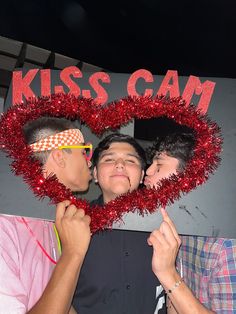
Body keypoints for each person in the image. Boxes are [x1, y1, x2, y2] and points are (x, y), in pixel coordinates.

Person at [0, 116, 92, 313]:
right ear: (59, 157)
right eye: (84, 151)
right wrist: (73, 253)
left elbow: (59, 300)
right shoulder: (5, 225)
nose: (89, 161)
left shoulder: (51, 219)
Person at [73, 133, 166, 314]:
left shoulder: (163, 224)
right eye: (109, 159)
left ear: (141, 176)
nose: (120, 164)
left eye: (130, 161)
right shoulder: (75, 221)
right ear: (95, 174)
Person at [145, 132, 236, 313]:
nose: (147, 171)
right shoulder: (177, 228)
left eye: (159, 165)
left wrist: (167, 273)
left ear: (188, 177)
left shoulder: (225, 245)